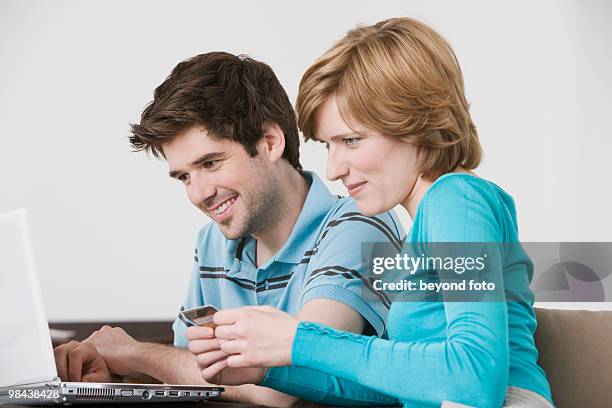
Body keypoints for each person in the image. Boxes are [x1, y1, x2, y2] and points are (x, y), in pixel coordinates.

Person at [188, 18, 554, 408]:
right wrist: (271, 369)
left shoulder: (457, 199)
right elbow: (397, 385)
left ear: (417, 122)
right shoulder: (427, 226)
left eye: (351, 140)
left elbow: (476, 379)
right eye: (328, 145)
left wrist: (300, 340)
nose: (333, 169)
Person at [52, 52, 403, 406]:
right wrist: (111, 375)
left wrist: (137, 354)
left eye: (211, 163)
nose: (199, 193)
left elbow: (287, 386)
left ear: (269, 142)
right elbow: (189, 367)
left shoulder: (359, 225)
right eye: (184, 177)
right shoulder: (213, 243)